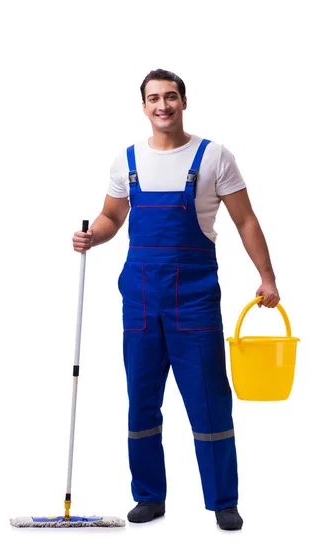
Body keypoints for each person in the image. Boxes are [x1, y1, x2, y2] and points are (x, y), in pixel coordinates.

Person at [72, 69, 280, 531]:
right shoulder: (126, 160)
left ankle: (223, 500)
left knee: (208, 399)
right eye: (153, 98)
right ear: (143, 107)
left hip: (195, 301)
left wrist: (267, 277)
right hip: (141, 301)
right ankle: (149, 496)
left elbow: (245, 220)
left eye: (170, 96)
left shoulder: (213, 157)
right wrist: (93, 237)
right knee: (141, 399)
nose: (162, 105)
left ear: (184, 101)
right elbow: (110, 216)